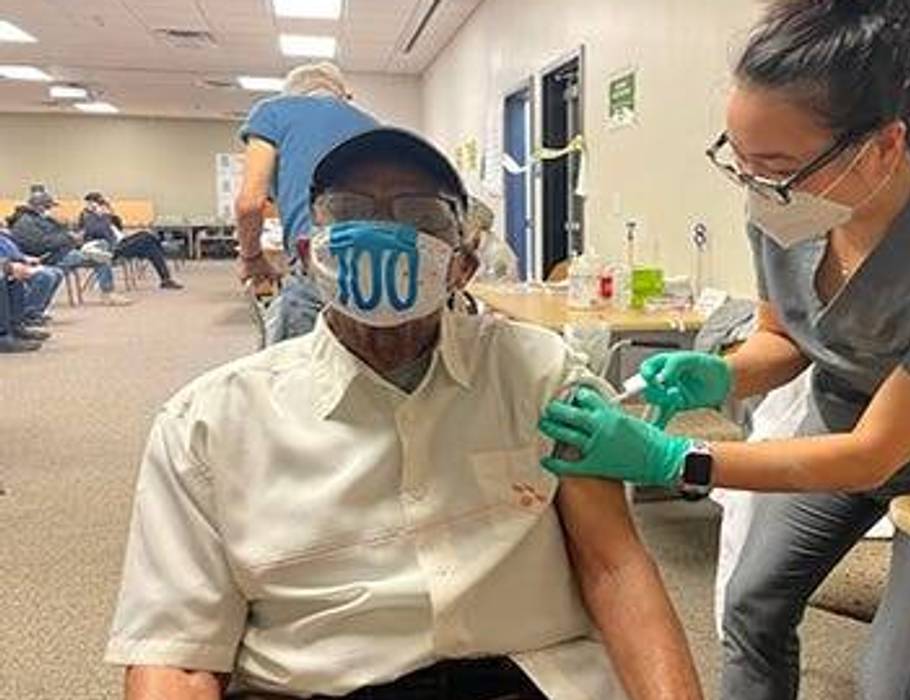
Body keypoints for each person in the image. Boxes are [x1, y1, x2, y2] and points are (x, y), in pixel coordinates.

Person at [536, 1, 910, 699]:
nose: (756, 188)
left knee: (895, 682)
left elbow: (874, 454)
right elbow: (785, 338)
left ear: (882, 145)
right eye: (740, 161)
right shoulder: (786, 199)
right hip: (842, 421)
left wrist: (673, 459)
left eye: (776, 167)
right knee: (750, 606)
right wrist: (718, 373)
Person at [106, 126, 702, 700]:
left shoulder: (540, 373)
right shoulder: (208, 424)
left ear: (462, 265)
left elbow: (616, 569)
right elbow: (176, 657)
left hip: (526, 679)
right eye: (352, 211)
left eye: (419, 217)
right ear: (311, 256)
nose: (382, 235)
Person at [234, 61, 379, 344]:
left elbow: (250, 203)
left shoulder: (274, 111)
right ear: (343, 96)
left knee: (295, 375)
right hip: (378, 265)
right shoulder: (372, 124)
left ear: (290, 94)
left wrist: (252, 258)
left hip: (319, 259)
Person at [7, 187, 130, 306]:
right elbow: (40, 245)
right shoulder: (26, 222)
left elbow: (58, 234)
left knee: (101, 255)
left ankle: (107, 291)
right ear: (39, 207)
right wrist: (69, 238)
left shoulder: (39, 219)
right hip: (51, 257)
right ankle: (108, 294)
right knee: (102, 258)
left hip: (62, 252)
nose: (51, 210)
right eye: (49, 207)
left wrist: (67, 231)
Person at [78, 192, 183, 290]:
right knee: (146, 236)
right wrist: (102, 216)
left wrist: (110, 214)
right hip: (111, 249)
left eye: (101, 203)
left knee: (150, 246)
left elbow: (118, 226)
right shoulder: (88, 217)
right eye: (95, 203)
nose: (100, 205)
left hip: (121, 242)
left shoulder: (104, 215)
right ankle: (163, 257)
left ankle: (165, 279)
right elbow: (100, 232)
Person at [0, 229, 63, 326]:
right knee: (45, 276)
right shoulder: (25, 222)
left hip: (15, 262)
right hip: (9, 264)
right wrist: (9, 265)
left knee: (57, 272)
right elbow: (35, 244)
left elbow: (13, 251)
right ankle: (28, 314)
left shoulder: (4, 236)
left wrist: (24, 258)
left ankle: (25, 318)